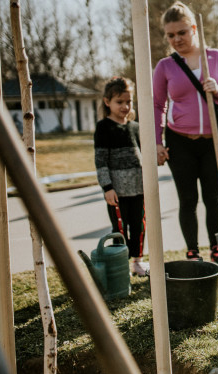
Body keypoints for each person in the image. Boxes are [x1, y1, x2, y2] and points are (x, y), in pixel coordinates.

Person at [153, 1, 218, 264]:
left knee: (213, 197)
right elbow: (157, 104)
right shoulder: (165, 66)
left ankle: (217, 248)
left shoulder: (216, 58)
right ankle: (192, 251)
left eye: (182, 32)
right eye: (171, 35)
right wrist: (157, 142)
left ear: (194, 29)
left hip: (213, 141)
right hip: (179, 141)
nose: (177, 39)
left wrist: (217, 88)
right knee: (188, 199)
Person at [94, 77, 148, 277]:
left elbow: (144, 156)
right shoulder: (103, 128)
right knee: (120, 229)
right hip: (116, 192)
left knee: (139, 226)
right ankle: (121, 265)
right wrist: (107, 187)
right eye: (120, 102)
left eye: (129, 101)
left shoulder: (135, 127)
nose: (125, 106)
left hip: (139, 188)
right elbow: (101, 161)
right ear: (107, 102)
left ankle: (138, 262)